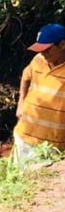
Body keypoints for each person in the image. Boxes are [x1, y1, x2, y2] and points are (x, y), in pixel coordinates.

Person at [13, 23, 65, 161]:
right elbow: (25, 76)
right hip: (23, 136)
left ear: (62, 45)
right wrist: (21, 103)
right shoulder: (39, 60)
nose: (42, 53)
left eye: (47, 49)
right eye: (40, 49)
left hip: (52, 147)